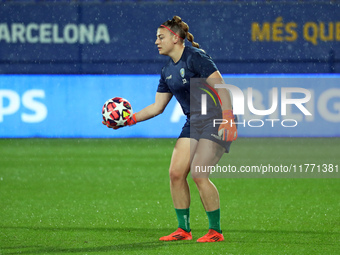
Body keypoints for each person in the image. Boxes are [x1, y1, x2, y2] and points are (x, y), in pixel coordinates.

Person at [103, 16, 237, 243]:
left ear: (175, 38)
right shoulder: (166, 70)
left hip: (216, 118)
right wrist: (128, 120)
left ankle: (215, 231)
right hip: (194, 122)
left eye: (160, 37)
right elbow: (157, 107)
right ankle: (183, 230)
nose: (156, 41)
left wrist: (228, 118)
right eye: (156, 37)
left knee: (199, 173)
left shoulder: (196, 57)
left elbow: (222, 86)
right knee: (176, 174)